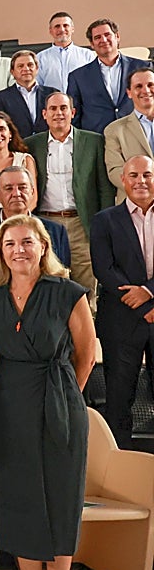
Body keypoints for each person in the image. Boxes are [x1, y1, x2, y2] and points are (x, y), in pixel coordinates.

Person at [0, 215, 93, 570]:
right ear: (0, 252)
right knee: (19, 500)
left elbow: (86, 352)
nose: (19, 250)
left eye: (28, 242)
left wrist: (63, 398)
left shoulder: (67, 292)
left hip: (61, 402)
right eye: (9, 244)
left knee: (60, 501)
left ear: (44, 246)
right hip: (10, 406)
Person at [90, 154, 154, 451]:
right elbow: (104, 269)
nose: (141, 181)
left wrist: (150, 293)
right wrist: (144, 305)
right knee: (119, 398)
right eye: (134, 175)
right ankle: (122, 467)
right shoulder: (104, 220)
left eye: (147, 175)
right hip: (121, 321)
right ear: (123, 180)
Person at [28, 92, 110, 304]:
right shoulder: (32, 144)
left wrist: (102, 224)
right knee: (51, 283)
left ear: (72, 112)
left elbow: (104, 187)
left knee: (86, 287)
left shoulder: (94, 141)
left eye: (63, 108)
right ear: (44, 114)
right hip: (46, 224)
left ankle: (87, 332)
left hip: (81, 223)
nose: (58, 113)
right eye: (53, 109)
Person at [0, 166, 71, 298]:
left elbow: (62, 278)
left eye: (22, 187)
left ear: (32, 191)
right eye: (8, 188)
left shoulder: (55, 231)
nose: (16, 193)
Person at [68, 18, 152, 134]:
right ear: (92, 44)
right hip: (98, 139)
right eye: (97, 37)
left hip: (138, 135)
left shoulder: (143, 67)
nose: (103, 40)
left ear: (117, 37)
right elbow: (74, 116)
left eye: (107, 35)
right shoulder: (77, 76)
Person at [104, 66, 154, 202]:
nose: (146, 90)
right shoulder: (114, 130)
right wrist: (147, 188)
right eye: (138, 86)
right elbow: (115, 171)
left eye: (150, 85)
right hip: (133, 205)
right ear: (129, 93)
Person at [0, 50, 55, 139]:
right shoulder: (1, 98)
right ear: (12, 72)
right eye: (20, 66)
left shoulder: (53, 94)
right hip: (17, 147)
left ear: (37, 69)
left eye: (30, 65)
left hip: (48, 145)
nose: (26, 69)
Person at [36, 12, 94, 93]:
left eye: (65, 25)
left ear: (72, 29)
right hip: (52, 104)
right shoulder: (40, 58)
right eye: (57, 26)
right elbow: (37, 86)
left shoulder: (88, 55)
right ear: (50, 31)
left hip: (81, 104)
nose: (62, 29)